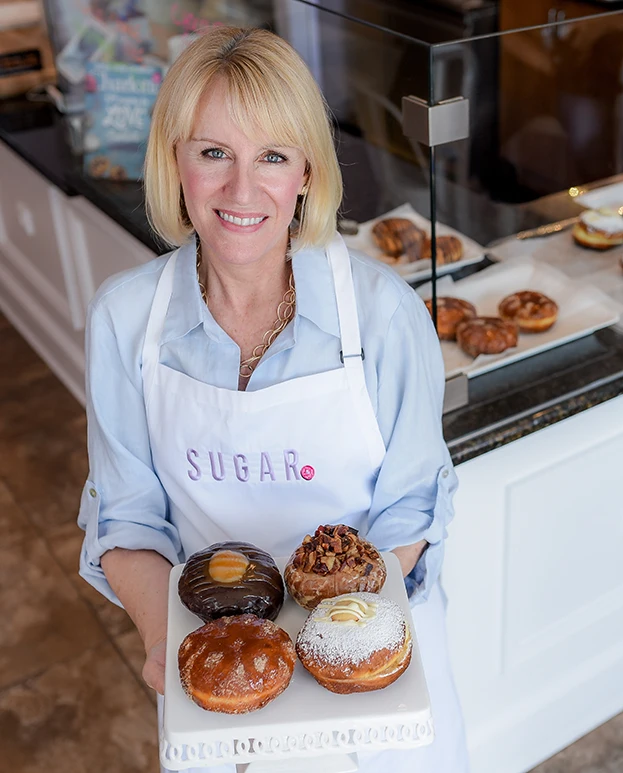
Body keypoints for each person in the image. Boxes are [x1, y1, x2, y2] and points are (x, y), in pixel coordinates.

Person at [76, 25, 469, 773]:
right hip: (219, 673)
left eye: (273, 157)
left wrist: (349, 635)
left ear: (307, 174)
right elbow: (126, 520)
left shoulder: (383, 315)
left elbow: (413, 506)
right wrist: (169, 642)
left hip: (373, 686)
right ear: (174, 161)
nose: (242, 190)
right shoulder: (125, 318)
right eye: (213, 152)